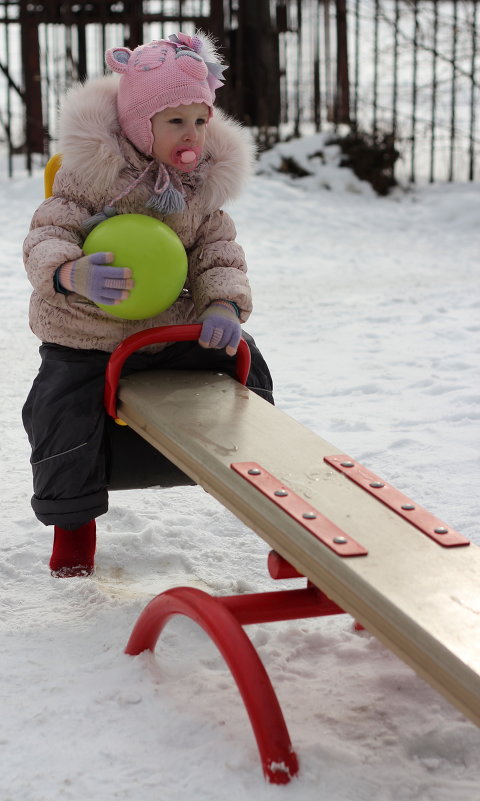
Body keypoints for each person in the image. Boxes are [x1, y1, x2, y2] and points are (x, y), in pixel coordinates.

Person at [22, 31, 274, 578]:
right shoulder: (88, 176)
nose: (191, 135)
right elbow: (47, 233)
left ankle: (271, 500)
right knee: (59, 410)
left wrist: (223, 305)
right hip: (89, 329)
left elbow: (218, 250)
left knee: (246, 363)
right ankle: (73, 529)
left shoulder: (199, 186)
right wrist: (71, 273)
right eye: (175, 121)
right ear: (141, 124)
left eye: (199, 121)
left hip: (164, 327)